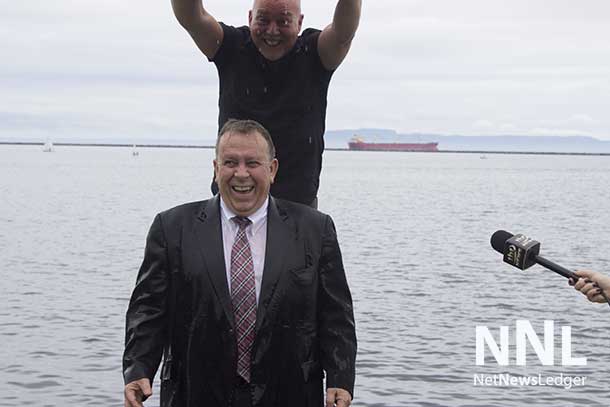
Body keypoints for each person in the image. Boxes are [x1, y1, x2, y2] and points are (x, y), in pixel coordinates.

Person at [123, 119, 357, 407]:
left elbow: (335, 315)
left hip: (290, 391)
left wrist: (340, 378)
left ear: (272, 170)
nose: (241, 174)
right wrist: (138, 368)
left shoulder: (314, 229)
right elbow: (148, 309)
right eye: (230, 162)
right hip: (195, 392)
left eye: (252, 163)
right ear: (216, 168)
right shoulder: (172, 228)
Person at [171, 0, 362, 207]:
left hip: (297, 211)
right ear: (250, 18)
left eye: (283, 21)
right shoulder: (232, 48)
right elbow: (192, 18)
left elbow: (343, 34)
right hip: (231, 205)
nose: (272, 31)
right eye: (263, 20)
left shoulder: (315, 54)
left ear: (299, 22)